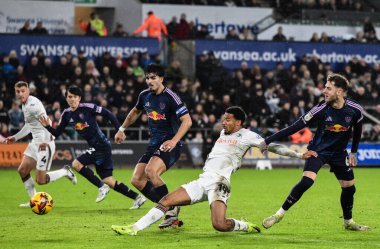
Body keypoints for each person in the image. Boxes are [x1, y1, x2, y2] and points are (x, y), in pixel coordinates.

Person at [111, 106, 317, 236]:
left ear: (238, 122)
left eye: (227, 119)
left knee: (219, 225)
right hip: (202, 180)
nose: (223, 122)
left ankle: (243, 226)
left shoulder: (248, 136)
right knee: (165, 201)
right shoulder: (222, 132)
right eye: (223, 118)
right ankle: (134, 228)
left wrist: (299, 156)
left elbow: (274, 147)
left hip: (220, 183)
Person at [259, 73, 370, 231]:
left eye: (328, 88)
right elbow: (294, 127)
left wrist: (353, 152)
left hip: (339, 153)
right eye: (325, 87)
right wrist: (267, 140)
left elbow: (358, 129)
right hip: (318, 151)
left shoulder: (355, 110)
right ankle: (278, 215)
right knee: (307, 182)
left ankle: (348, 222)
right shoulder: (321, 109)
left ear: (339, 92)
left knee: (349, 188)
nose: (324, 91)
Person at [39, 85, 145, 208]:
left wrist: (120, 130)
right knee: (108, 180)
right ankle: (138, 197)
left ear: (79, 98)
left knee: (76, 164)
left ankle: (101, 187)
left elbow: (108, 113)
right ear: (66, 98)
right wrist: (47, 126)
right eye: (69, 97)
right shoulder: (66, 114)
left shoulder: (88, 108)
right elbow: (57, 133)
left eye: (74, 97)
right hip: (99, 146)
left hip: (101, 145)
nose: (72, 99)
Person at [114, 64, 192, 228]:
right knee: (136, 180)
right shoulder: (144, 96)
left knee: (150, 171)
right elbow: (135, 112)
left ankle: (170, 213)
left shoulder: (171, 97)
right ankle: (171, 206)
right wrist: (122, 129)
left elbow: (187, 121)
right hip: (154, 144)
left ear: (161, 79)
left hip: (170, 143)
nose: (149, 81)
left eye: (153, 78)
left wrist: (174, 141)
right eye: (148, 77)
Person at [4, 81, 77, 207]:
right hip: (35, 142)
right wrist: (15, 138)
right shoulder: (24, 105)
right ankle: (34, 200)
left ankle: (65, 171)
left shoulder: (33, 105)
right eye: (18, 91)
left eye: (23, 91)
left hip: (45, 143)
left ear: (28, 91)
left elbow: (46, 121)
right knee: (22, 171)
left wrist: (44, 142)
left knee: (41, 180)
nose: (20, 94)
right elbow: (29, 125)